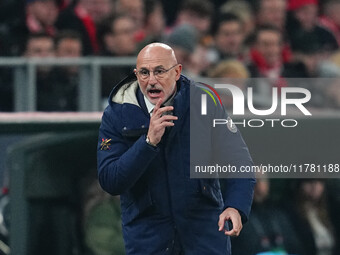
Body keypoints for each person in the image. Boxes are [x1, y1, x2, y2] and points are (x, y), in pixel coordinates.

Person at [97, 42, 255, 254]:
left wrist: (235, 206)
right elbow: (110, 180)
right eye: (144, 73)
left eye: (160, 71)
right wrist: (147, 143)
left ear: (177, 72)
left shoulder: (205, 103)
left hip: (204, 236)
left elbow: (239, 161)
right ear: (136, 74)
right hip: (149, 240)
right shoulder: (117, 115)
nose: (151, 80)